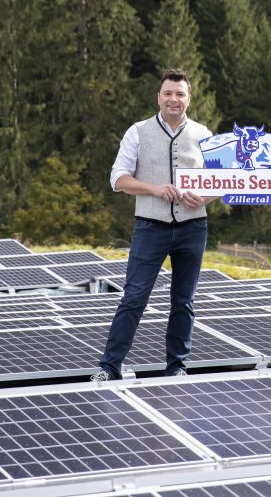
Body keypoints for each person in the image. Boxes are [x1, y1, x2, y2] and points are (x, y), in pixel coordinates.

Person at [91, 69, 213, 381]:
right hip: (150, 226)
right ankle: (109, 367)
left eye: (180, 94)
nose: (174, 99)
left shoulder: (203, 134)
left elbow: (223, 181)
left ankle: (176, 367)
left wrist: (206, 197)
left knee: (184, 301)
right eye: (168, 93)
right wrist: (154, 189)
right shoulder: (138, 132)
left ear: (188, 98)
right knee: (134, 297)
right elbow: (118, 179)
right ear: (158, 97)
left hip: (193, 228)